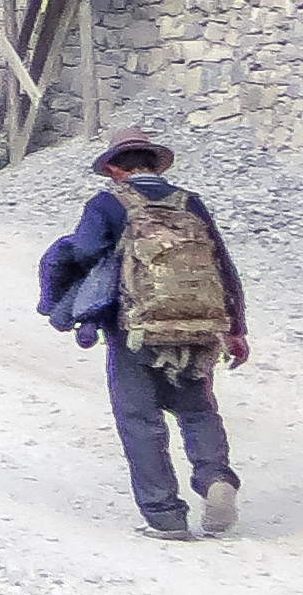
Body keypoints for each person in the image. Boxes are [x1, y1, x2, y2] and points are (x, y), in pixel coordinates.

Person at [41, 130, 252, 541]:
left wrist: (60, 275)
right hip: (198, 326)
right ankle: (215, 479)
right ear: (156, 165)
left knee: (140, 418)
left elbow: (82, 252)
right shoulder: (189, 203)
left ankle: (165, 516)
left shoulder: (107, 203)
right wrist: (236, 329)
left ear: (116, 168)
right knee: (197, 409)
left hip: (133, 327)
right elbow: (223, 266)